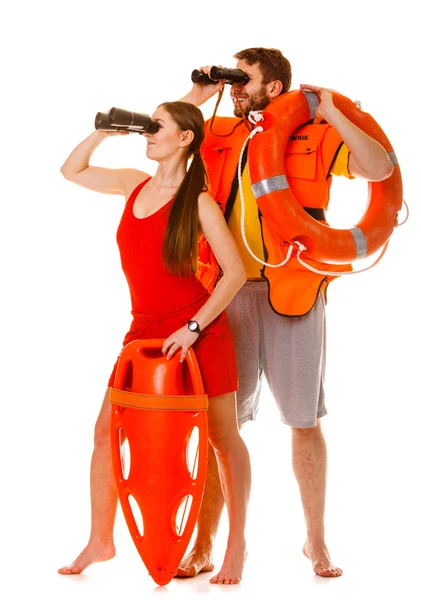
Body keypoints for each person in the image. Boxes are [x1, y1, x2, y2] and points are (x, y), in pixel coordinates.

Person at [175, 47, 394, 579]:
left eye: (242, 78)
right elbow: (164, 146)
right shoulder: (221, 134)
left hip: (293, 291)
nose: (235, 85)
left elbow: (379, 166)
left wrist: (333, 109)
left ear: (274, 88)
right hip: (225, 294)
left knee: (303, 421)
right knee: (221, 426)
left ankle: (316, 544)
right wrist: (200, 95)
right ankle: (205, 545)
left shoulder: (314, 135)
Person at [58, 100, 251, 585]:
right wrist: (107, 131)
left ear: (185, 139)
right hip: (143, 328)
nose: (148, 132)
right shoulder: (132, 183)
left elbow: (234, 274)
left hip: (196, 330)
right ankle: (101, 539)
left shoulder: (199, 200)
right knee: (106, 431)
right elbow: (71, 169)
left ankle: (236, 546)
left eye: (156, 126)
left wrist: (193, 329)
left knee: (222, 439)